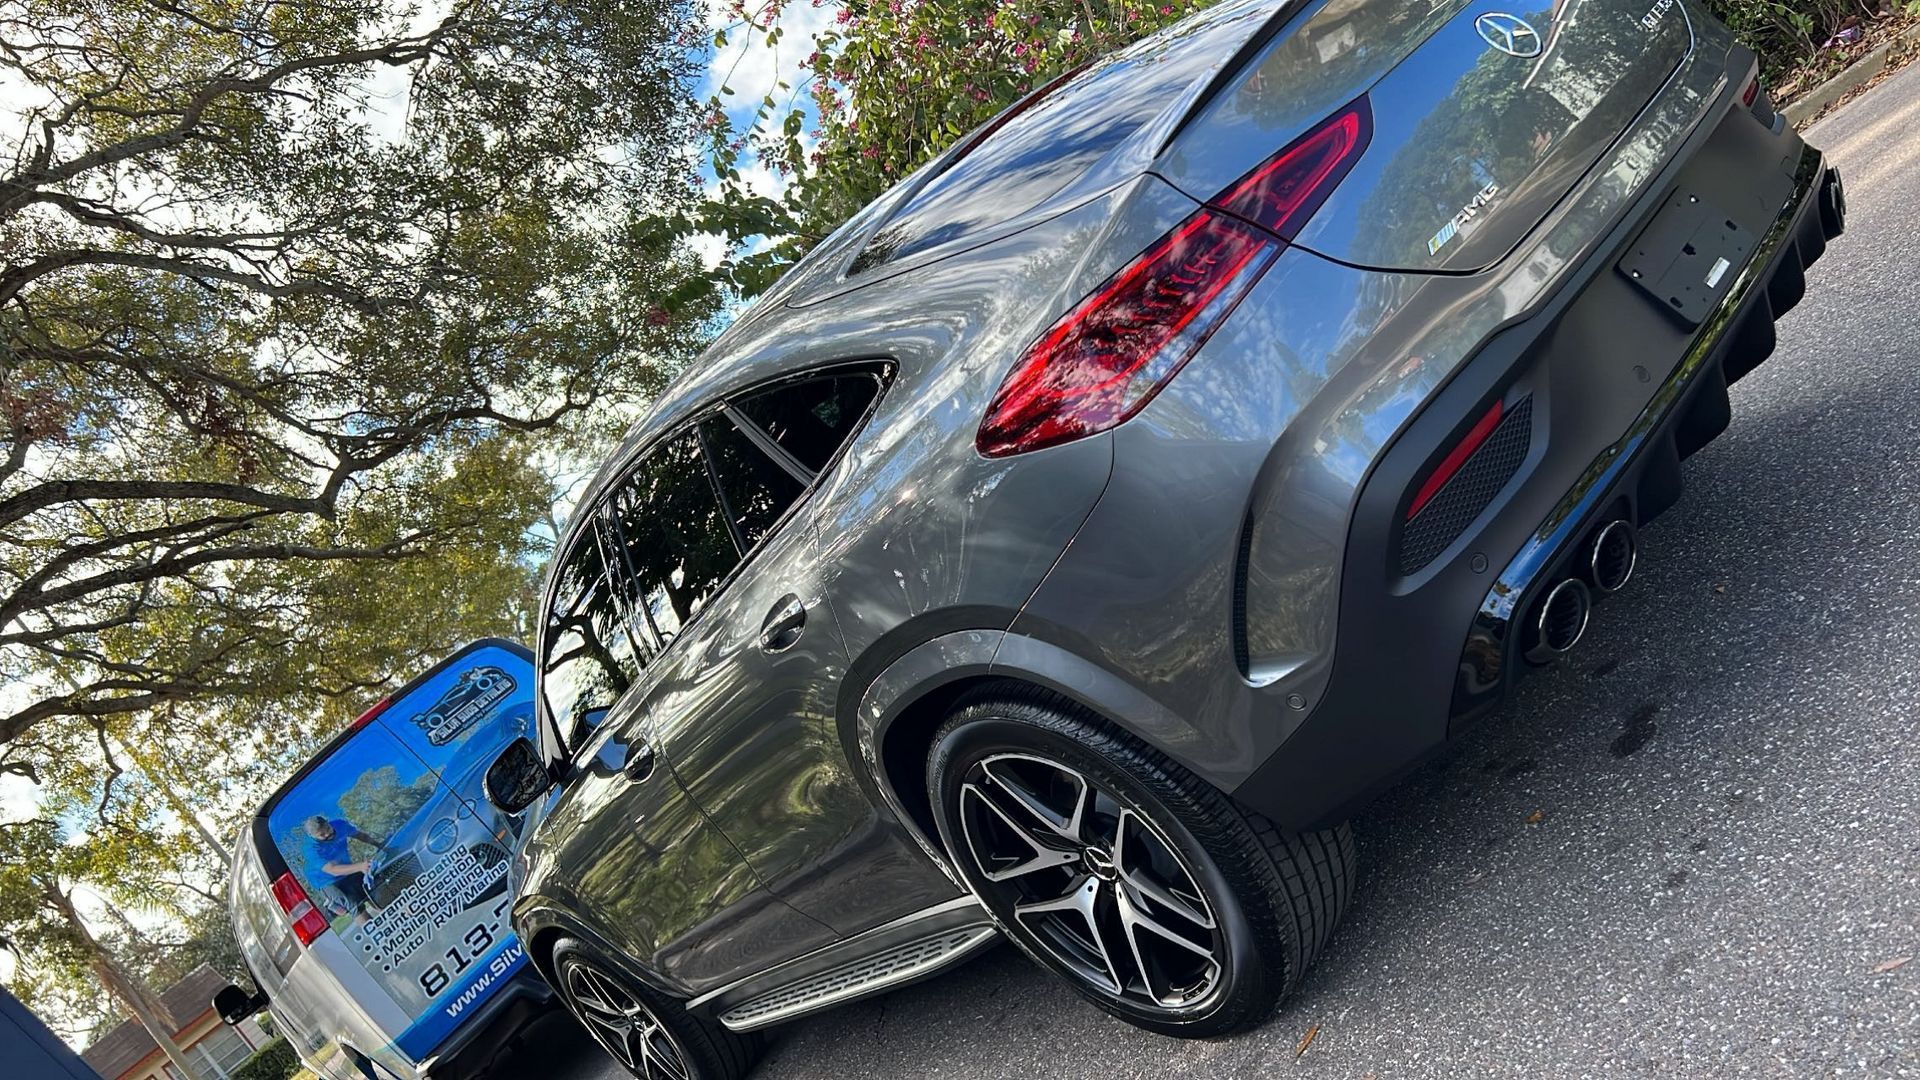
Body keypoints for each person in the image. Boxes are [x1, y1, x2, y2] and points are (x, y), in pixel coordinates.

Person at [303, 815, 386, 916]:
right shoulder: (310, 849)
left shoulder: (340, 825)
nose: (327, 834)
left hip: (346, 867)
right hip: (327, 881)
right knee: (356, 907)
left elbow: (360, 835)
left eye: (328, 828)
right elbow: (332, 869)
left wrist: (379, 845)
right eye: (322, 835)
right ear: (312, 836)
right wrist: (360, 867)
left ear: (328, 822)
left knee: (372, 891)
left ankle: (389, 913)